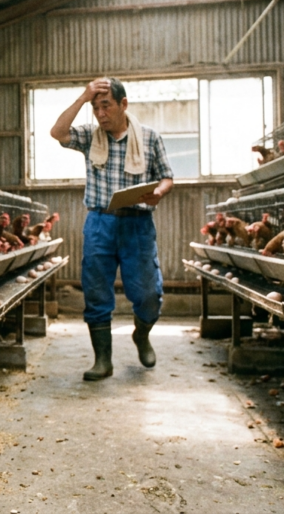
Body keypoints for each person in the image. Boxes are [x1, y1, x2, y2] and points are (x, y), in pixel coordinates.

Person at [49, 78, 174, 381]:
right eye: (96, 108)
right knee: (95, 290)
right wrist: (83, 97)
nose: (100, 113)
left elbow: (167, 177)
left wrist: (158, 193)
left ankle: (141, 335)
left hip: (137, 224)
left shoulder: (148, 137)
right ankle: (102, 360)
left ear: (123, 104)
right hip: (100, 223)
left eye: (106, 106)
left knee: (147, 294)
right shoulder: (91, 137)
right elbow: (58, 132)